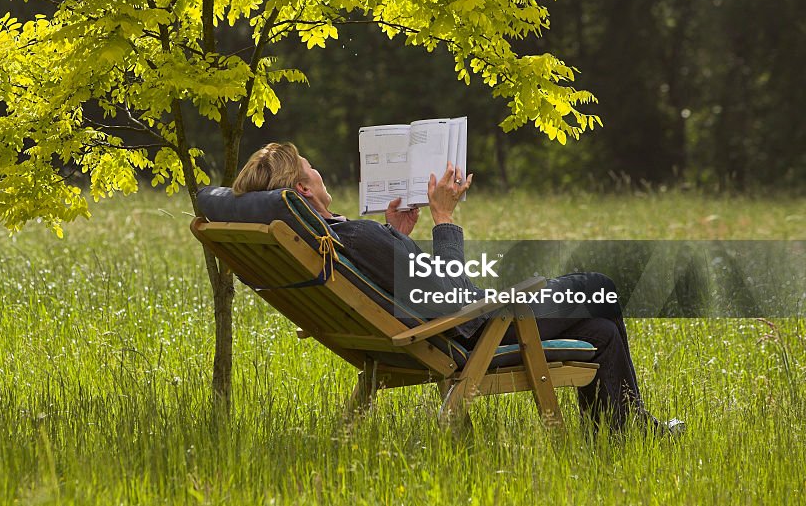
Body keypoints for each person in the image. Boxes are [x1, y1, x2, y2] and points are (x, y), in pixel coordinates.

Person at [232, 142, 683, 436]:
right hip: (474, 331)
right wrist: (444, 218)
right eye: (314, 168)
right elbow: (456, 298)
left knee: (598, 330)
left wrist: (397, 234)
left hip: (418, 337)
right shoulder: (352, 236)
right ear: (303, 188)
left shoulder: (333, 241)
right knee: (599, 287)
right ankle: (630, 424)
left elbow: (409, 285)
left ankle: (622, 430)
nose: (321, 170)